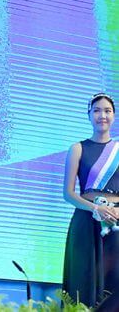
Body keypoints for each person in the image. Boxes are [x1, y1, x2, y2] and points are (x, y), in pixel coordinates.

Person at [63, 93, 119, 306]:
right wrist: (95, 209)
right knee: (83, 281)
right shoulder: (77, 148)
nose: (102, 115)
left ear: (113, 115)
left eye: (107, 111)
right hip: (85, 223)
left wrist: (115, 212)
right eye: (96, 111)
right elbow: (68, 194)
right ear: (88, 115)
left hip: (115, 223)